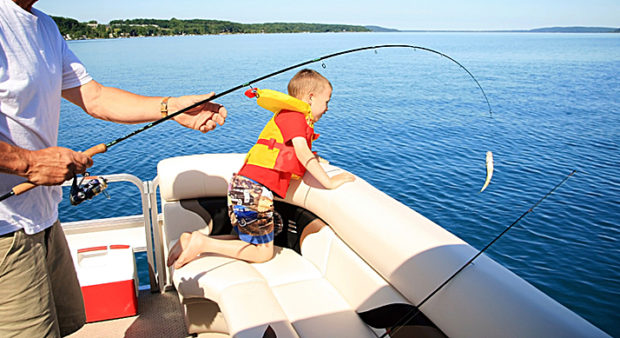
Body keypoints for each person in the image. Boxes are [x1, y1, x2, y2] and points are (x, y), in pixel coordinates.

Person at [0, 0, 227, 336]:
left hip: (43, 217)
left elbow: (95, 97)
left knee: (65, 325)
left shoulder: (44, 26)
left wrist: (171, 108)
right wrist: (29, 163)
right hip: (6, 231)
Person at [167, 69, 355, 269]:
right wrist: (329, 181)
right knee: (263, 253)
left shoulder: (289, 116)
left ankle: (193, 240)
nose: (327, 108)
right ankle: (202, 243)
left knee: (252, 242)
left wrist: (318, 160)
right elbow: (302, 152)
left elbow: (293, 154)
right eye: (327, 101)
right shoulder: (295, 117)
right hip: (254, 190)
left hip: (246, 186)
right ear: (311, 98)